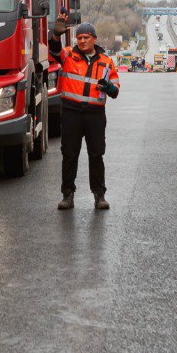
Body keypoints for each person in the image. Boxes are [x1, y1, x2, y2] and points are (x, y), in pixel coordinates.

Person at [50, 16, 120, 210]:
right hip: (72, 113)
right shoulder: (68, 56)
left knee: (96, 155)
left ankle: (99, 195)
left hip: (95, 115)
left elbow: (115, 92)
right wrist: (56, 34)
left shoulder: (106, 62)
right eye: (79, 38)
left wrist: (107, 87)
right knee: (69, 155)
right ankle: (67, 194)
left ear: (94, 39)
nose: (82, 41)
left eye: (86, 37)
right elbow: (54, 51)